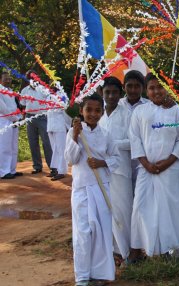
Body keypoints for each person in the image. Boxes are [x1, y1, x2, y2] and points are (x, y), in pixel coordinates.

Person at [128, 73, 179, 259]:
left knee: (169, 209)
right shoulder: (139, 111)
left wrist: (170, 161)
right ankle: (140, 248)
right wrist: (146, 163)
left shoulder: (175, 110)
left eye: (160, 87)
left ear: (166, 88)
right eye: (152, 88)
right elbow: (135, 138)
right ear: (146, 91)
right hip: (146, 169)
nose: (156, 91)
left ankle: (168, 250)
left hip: (170, 169)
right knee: (141, 206)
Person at [65, 93, 118, 285]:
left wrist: (102, 162)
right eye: (89, 110)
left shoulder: (106, 134)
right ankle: (82, 276)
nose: (93, 114)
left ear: (102, 112)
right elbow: (71, 159)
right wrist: (77, 136)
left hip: (102, 187)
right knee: (83, 232)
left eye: (97, 110)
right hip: (81, 188)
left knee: (102, 231)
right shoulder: (73, 133)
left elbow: (117, 159)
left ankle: (101, 273)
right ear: (81, 111)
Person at [98, 77, 133, 263]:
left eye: (114, 92)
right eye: (107, 92)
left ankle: (126, 251)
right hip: (103, 171)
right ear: (101, 93)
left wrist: (111, 145)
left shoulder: (127, 113)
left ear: (120, 94)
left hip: (121, 170)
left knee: (123, 212)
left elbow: (134, 142)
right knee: (107, 211)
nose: (111, 96)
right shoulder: (99, 115)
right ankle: (112, 250)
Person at [120, 70, 149, 194]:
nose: (133, 90)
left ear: (143, 88)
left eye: (137, 86)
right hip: (121, 157)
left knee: (141, 193)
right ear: (123, 87)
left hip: (143, 158)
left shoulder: (149, 105)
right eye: (129, 86)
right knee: (124, 196)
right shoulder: (117, 105)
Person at [20, 70, 53, 174]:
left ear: (37, 77)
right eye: (30, 78)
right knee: (33, 142)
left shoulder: (44, 89)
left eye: (34, 77)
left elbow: (49, 103)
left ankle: (52, 166)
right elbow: (23, 104)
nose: (32, 79)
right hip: (30, 118)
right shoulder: (25, 90)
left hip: (42, 117)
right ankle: (37, 166)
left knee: (46, 142)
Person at [0, 71, 22, 179]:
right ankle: (4, 171)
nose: (8, 80)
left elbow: (14, 106)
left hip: (14, 120)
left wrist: (18, 118)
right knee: (5, 147)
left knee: (13, 147)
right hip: (4, 121)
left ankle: (12, 170)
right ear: (0, 80)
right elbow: (3, 108)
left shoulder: (10, 91)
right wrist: (14, 118)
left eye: (9, 78)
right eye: (5, 79)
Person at [46, 89, 71, 180]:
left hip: (60, 124)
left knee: (61, 148)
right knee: (54, 148)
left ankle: (62, 171)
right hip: (50, 125)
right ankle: (56, 169)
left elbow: (66, 111)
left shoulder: (62, 95)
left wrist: (68, 125)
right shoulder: (48, 95)